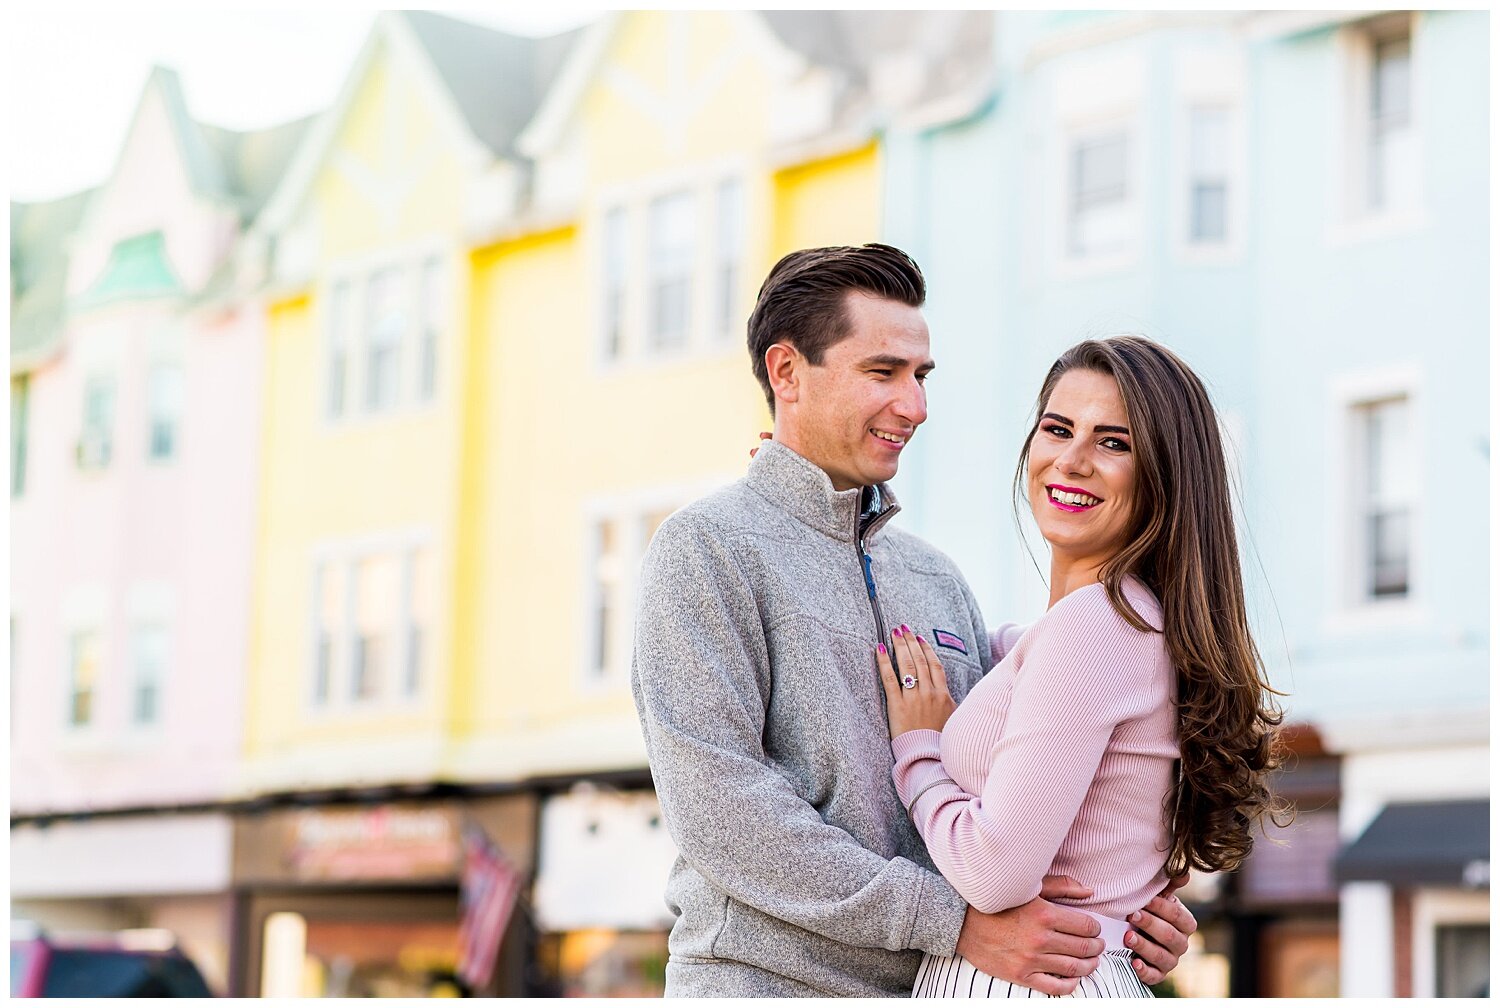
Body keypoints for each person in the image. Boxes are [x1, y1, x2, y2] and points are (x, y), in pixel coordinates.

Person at [630, 245, 1197, 997]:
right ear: (787, 373)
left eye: (921, 377)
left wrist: (1127, 915)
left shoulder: (935, 579)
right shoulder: (708, 548)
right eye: (883, 373)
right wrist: (951, 922)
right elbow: (725, 813)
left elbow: (1041, 768)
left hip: (939, 987)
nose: (916, 406)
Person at [876, 336, 1286, 997]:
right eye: (1057, 429)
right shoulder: (1123, 625)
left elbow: (994, 873)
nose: (1072, 460)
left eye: (1113, 443)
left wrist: (919, 751)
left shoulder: (1098, 624)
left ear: (1164, 474)